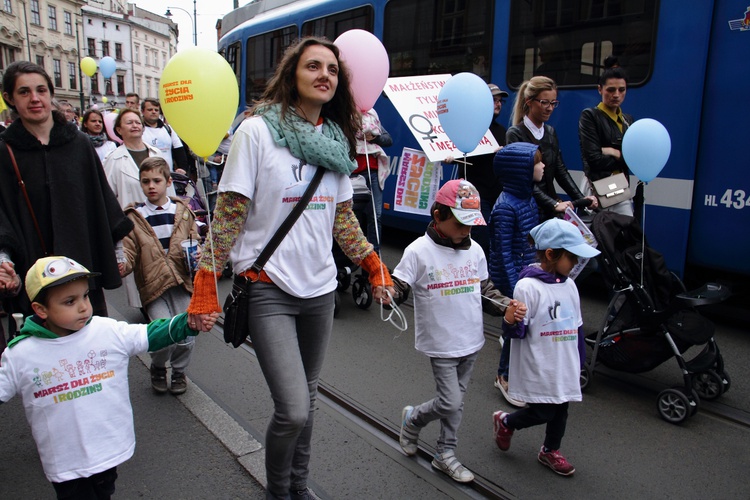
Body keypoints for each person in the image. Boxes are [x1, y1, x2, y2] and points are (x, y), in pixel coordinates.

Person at [185, 36, 394, 499]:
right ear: (292, 76)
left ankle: (299, 486)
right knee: (294, 408)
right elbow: (229, 215)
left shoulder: (337, 142)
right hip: (268, 288)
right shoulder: (256, 132)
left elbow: (343, 221)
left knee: (310, 398)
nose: (324, 75)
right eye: (313, 66)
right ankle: (278, 490)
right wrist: (206, 280)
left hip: (319, 290)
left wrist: (374, 264)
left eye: (333, 70)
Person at [0, 255, 217, 498]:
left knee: (104, 493)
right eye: (69, 301)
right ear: (41, 310)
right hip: (65, 463)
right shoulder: (21, 354)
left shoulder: (105, 331)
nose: (83, 306)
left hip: (108, 451)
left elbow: (149, 334)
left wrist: (187, 323)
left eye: (85, 296)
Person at [391, 179, 527, 483]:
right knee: (450, 401)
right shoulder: (418, 251)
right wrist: (389, 293)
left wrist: (506, 305)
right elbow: (400, 284)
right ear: (438, 216)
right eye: (460, 224)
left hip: (471, 340)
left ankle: (444, 453)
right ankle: (413, 420)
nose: (467, 231)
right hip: (441, 342)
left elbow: (485, 291)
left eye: (471, 224)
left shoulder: (475, 250)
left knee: (456, 401)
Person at [0, 61, 132, 324]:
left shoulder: (78, 144)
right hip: (35, 275)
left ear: (51, 94)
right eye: (24, 92)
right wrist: (4, 260)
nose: (35, 99)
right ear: (9, 98)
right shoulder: (5, 151)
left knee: (90, 348)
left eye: (41, 90)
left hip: (80, 268)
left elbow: (101, 200)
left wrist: (118, 251)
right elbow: (2, 213)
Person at [492, 218, 600, 477]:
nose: (576, 263)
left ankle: (550, 450)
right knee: (543, 410)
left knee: (561, 409)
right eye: (572, 257)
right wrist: (510, 318)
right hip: (540, 362)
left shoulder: (570, 285)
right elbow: (515, 332)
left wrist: (580, 360)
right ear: (551, 254)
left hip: (564, 363)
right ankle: (506, 421)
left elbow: (577, 326)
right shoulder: (527, 287)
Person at [120, 157, 201, 395]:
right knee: (162, 334)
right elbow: (128, 250)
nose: (151, 186)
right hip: (153, 286)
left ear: (168, 182)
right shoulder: (134, 217)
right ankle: (157, 367)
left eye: (156, 181)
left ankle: (178, 371)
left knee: (187, 334)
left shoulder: (183, 211)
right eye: (146, 182)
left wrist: (197, 253)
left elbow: (193, 239)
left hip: (181, 282)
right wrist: (122, 264)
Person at [489, 143, 544, 407]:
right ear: (520, 170)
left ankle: (519, 372)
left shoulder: (528, 198)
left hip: (527, 274)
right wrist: (515, 289)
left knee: (523, 327)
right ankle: (504, 375)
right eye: (537, 163)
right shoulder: (504, 208)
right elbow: (502, 253)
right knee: (514, 327)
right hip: (514, 279)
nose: (542, 167)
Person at [103, 108, 172, 310]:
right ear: (118, 130)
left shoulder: (156, 153)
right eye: (129, 122)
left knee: (166, 262)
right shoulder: (114, 159)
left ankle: (168, 303)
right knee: (142, 270)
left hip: (161, 219)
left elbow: (170, 186)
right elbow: (109, 198)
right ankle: (149, 310)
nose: (135, 125)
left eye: (137, 122)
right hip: (133, 226)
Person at [506, 76, 598, 220]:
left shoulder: (550, 132)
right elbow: (523, 180)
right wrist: (553, 204)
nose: (550, 108)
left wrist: (584, 200)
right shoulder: (515, 134)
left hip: (550, 208)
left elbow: (560, 171)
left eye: (553, 103)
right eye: (544, 103)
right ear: (529, 101)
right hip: (527, 209)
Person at [578, 65, 638, 216]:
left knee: (624, 232)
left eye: (621, 90)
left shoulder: (627, 120)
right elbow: (594, 159)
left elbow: (635, 160)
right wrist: (624, 156)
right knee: (592, 234)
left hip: (619, 185)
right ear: (600, 89)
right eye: (610, 90)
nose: (616, 95)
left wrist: (614, 152)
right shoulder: (590, 116)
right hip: (596, 186)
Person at [353, 108, 392, 253]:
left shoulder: (371, 115)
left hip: (373, 173)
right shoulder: (343, 115)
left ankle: (374, 259)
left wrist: (374, 138)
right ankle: (354, 258)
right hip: (353, 174)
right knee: (353, 218)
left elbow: (388, 139)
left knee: (376, 216)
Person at [140, 97, 189, 173]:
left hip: (168, 175)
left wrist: (183, 169)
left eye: (156, 110)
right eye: (150, 110)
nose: (153, 112)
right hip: (147, 175)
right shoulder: (139, 130)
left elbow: (179, 151)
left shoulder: (168, 129)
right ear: (142, 111)